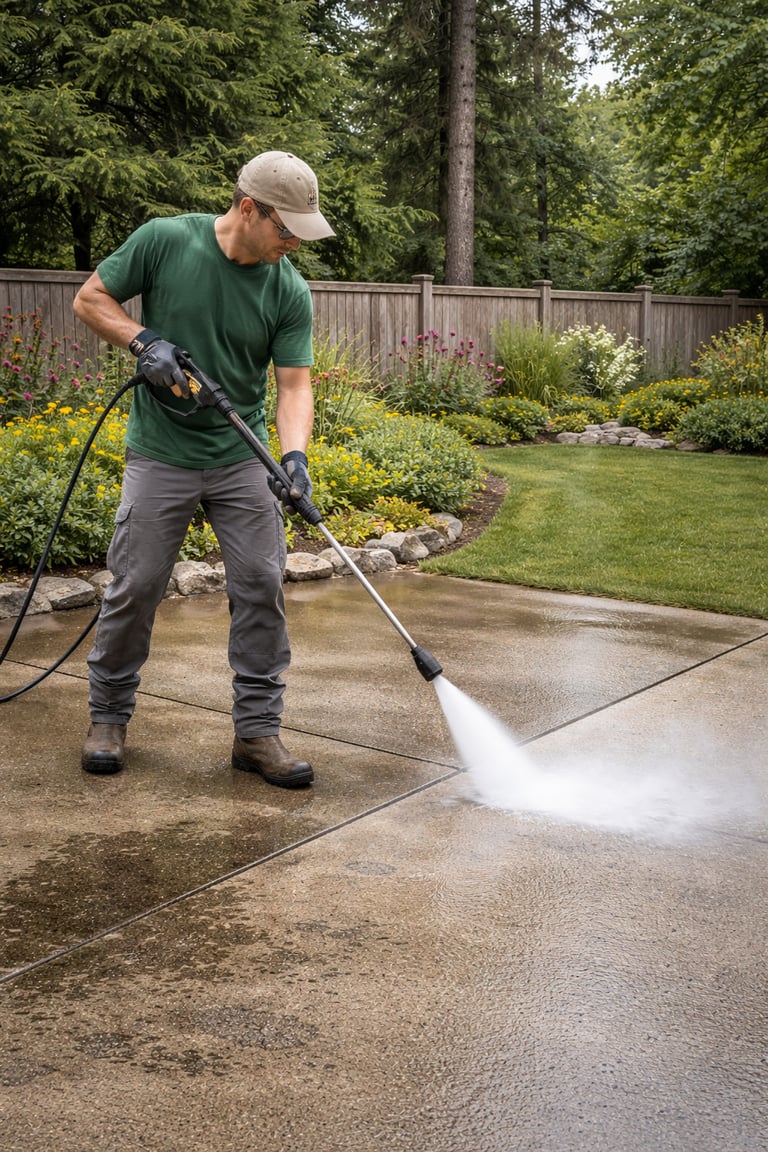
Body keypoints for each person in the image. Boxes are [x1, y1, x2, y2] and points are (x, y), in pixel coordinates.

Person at [72, 149, 335, 787]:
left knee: (262, 584)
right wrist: (144, 342)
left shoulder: (287, 288)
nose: (295, 246)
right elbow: (90, 299)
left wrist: (294, 456)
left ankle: (257, 733)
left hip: (241, 456)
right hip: (162, 450)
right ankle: (108, 717)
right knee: (136, 585)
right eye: (287, 231)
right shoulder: (165, 241)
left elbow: (294, 386)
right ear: (249, 209)